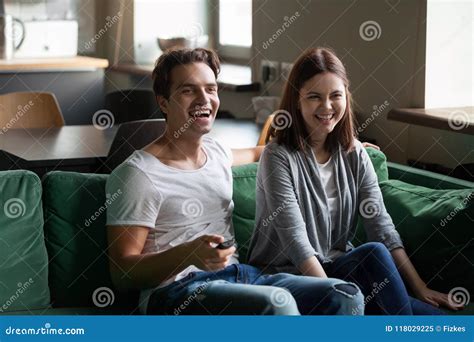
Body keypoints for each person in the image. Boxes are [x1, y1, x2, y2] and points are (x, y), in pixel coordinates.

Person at [105, 47, 364, 315]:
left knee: (344, 295)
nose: (203, 99)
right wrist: (188, 255)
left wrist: (344, 147)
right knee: (279, 303)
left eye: (211, 89)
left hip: (240, 276)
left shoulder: (216, 152)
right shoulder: (138, 174)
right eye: (188, 90)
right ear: (163, 102)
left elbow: (261, 151)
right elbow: (123, 273)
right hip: (176, 292)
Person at [247, 47, 463, 315]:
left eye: (335, 96)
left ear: (346, 97)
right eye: (314, 97)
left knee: (438, 321)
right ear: (296, 101)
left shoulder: (355, 154)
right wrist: (336, 294)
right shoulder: (277, 157)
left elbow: (380, 227)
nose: (327, 107)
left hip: (339, 269)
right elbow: (296, 242)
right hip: (287, 278)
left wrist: (420, 288)